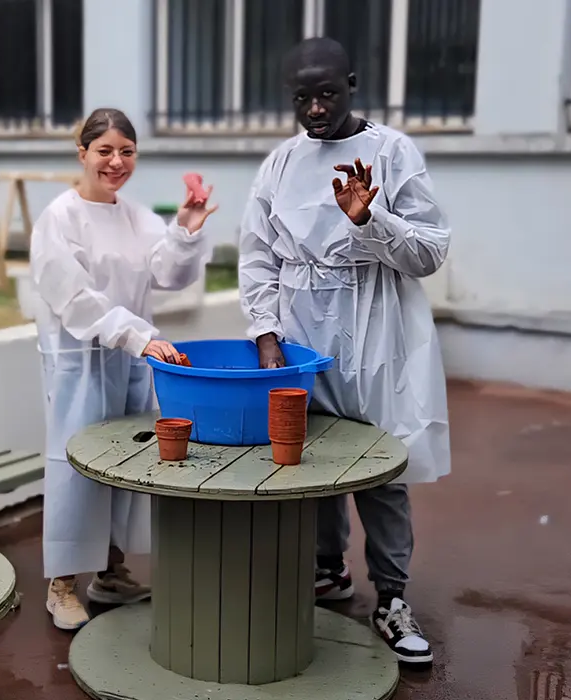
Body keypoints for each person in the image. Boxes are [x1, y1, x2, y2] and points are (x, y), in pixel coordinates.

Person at [238, 37, 450, 666]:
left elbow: (430, 253)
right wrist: (266, 334)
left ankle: (392, 597)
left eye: (327, 93)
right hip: (302, 335)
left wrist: (370, 220)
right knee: (314, 459)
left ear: (352, 85)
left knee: (383, 469)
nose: (315, 108)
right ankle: (327, 570)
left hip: (378, 330)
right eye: (302, 97)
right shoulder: (280, 164)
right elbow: (257, 257)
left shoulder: (392, 153)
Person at [31, 108, 217, 631]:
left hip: (133, 361)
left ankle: (110, 574)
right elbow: (75, 299)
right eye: (105, 151)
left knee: (126, 466)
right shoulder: (59, 219)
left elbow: (168, 274)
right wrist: (138, 337)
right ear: (82, 153)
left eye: (127, 151)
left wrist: (186, 231)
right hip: (81, 365)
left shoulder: (137, 217)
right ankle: (62, 584)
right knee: (76, 470)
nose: (116, 162)